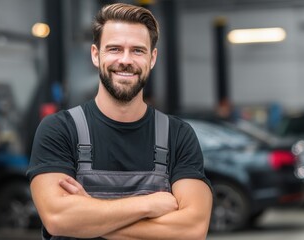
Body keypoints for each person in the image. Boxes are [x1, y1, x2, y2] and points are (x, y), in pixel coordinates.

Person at [27, 3, 213, 240]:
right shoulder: (60, 130)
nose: (126, 60)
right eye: (114, 49)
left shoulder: (178, 135)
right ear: (96, 54)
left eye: (137, 50)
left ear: (152, 58)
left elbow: (192, 229)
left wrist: (89, 213)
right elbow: (58, 219)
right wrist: (148, 206)